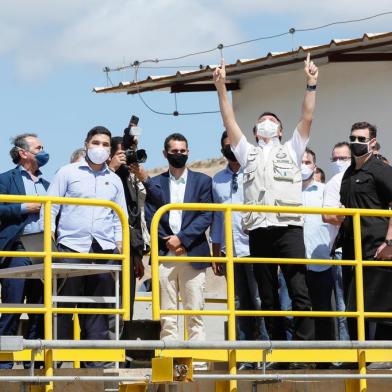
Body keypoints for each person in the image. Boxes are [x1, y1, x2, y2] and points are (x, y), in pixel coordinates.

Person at [213, 54, 318, 365]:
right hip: (259, 229)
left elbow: (307, 117)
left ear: (282, 129)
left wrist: (311, 83)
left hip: (289, 228)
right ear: (256, 130)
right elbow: (229, 122)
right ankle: (276, 350)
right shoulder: (248, 153)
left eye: (273, 120)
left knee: (298, 289)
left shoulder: (292, 149)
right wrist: (221, 88)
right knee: (268, 296)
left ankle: (304, 350)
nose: (268, 122)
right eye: (263, 121)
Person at [46, 126, 127, 368]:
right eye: (96, 142)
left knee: (98, 311)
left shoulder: (114, 180)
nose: (100, 148)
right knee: (63, 308)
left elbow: (119, 217)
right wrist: (49, 240)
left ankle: (96, 367)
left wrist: (119, 247)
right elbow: (50, 208)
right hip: (70, 249)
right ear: (86, 143)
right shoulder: (67, 173)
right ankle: (57, 363)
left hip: (103, 252)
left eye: (105, 144)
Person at [144, 133, 212, 344]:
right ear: (165, 154)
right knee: (168, 314)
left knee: (195, 312)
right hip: (165, 254)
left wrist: (182, 239)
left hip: (193, 254)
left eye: (182, 151)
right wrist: (169, 241)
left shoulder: (203, 181)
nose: (179, 155)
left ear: (188, 152)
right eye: (174, 151)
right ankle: (170, 356)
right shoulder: (155, 183)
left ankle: (198, 361)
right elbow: (149, 215)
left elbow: (206, 215)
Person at [211, 130, 269, 371]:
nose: (231, 149)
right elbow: (216, 217)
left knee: (260, 301)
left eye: (233, 145)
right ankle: (245, 355)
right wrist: (216, 251)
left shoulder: (256, 172)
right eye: (226, 146)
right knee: (238, 303)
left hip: (255, 248)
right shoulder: (217, 180)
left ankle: (267, 354)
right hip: (230, 251)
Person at [340, 122, 392, 356]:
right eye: (353, 138)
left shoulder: (380, 169)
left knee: (381, 304)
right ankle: (357, 355)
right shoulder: (349, 173)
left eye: (361, 139)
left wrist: (389, 242)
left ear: (372, 143)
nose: (356, 143)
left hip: (376, 247)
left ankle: (383, 356)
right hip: (352, 248)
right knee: (354, 305)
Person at [0, 133, 50, 369]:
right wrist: (22, 207)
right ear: (23, 153)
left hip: (44, 251)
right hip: (18, 247)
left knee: (41, 309)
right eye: (38, 147)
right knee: (13, 306)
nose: (43, 151)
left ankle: (35, 364)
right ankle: (4, 364)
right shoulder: (6, 180)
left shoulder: (47, 185)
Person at [108, 135, 148, 320]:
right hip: (105, 250)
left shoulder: (133, 181)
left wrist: (137, 256)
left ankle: (122, 346)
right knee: (106, 304)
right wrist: (111, 169)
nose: (126, 158)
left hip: (129, 252)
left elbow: (135, 219)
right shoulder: (104, 176)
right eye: (122, 154)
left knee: (126, 307)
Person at [301, 148, 334, 344]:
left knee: (323, 311)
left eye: (307, 162)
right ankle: (297, 357)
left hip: (322, 261)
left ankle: (324, 359)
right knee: (292, 312)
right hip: (293, 264)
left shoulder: (325, 192)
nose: (303, 166)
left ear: (314, 166)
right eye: (300, 162)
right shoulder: (287, 194)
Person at [322, 142, 351, 342]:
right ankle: (345, 353)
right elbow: (327, 215)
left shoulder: (365, 179)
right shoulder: (333, 183)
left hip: (369, 250)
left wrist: (342, 213)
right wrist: (348, 216)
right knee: (343, 306)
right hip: (341, 251)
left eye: (343, 158)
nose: (339, 162)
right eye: (335, 158)